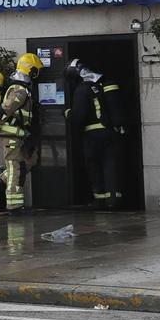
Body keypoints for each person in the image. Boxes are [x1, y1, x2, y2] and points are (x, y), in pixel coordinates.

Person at [0, 53, 44, 212]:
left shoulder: (23, 89)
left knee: (27, 163)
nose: (37, 75)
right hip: (12, 137)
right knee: (15, 168)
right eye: (35, 71)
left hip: (18, 135)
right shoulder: (20, 91)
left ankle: (0, 183)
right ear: (29, 70)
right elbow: (6, 109)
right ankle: (14, 206)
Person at [63, 58, 125, 209]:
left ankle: (100, 201)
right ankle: (113, 200)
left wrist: (67, 113)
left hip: (93, 136)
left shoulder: (82, 89)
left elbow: (79, 117)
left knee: (94, 166)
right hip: (110, 133)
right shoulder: (102, 85)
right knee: (110, 164)